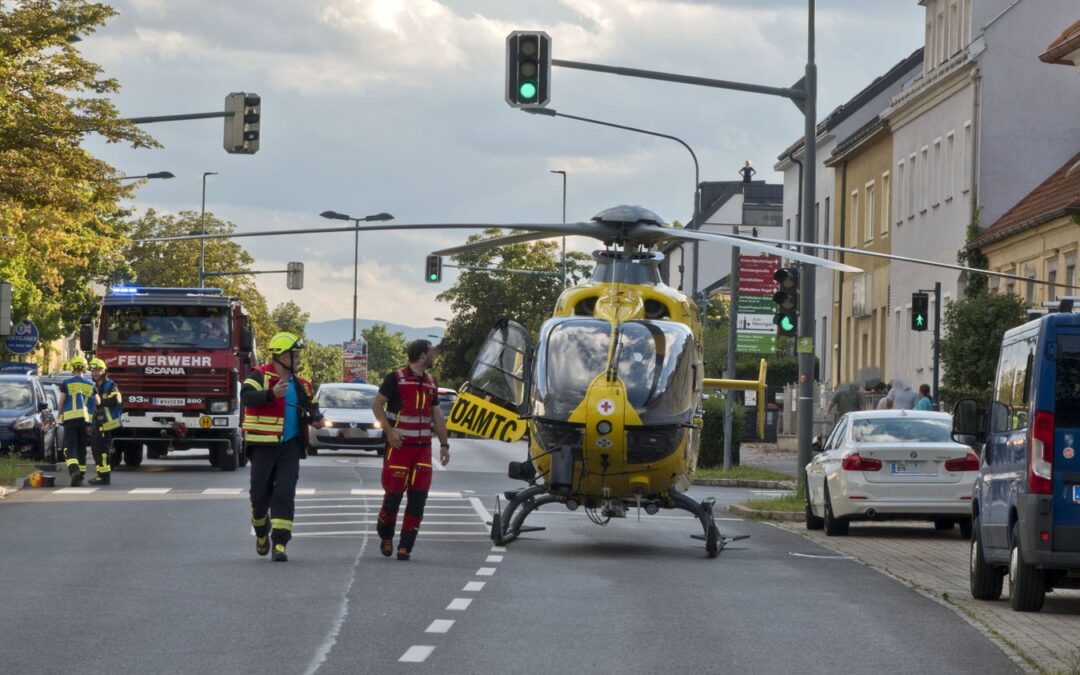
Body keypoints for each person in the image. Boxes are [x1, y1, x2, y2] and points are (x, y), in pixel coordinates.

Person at [240, 332, 320, 562]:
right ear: (283, 356)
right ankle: (261, 531)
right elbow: (246, 397)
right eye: (295, 355)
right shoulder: (259, 376)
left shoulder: (302, 384)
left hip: (290, 448)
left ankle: (280, 543)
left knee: (285, 494)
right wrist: (271, 394)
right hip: (263, 447)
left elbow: (309, 409)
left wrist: (315, 419)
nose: (299, 359)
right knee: (259, 497)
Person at [371, 339, 450, 561]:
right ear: (422, 354)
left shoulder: (431, 381)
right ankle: (386, 535)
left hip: (423, 449)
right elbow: (376, 405)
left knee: (418, 498)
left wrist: (444, 444)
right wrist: (389, 432)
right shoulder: (395, 378)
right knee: (393, 496)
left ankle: (406, 546)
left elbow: (437, 415)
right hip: (399, 447)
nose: (434, 355)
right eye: (432, 352)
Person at [57, 356, 98, 487]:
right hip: (85, 421)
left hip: (70, 419)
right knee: (81, 448)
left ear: (73, 368)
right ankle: (81, 475)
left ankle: (74, 471)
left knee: (69, 447)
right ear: (85, 369)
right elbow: (98, 402)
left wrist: (59, 416)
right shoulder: (91, 384)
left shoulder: (66, 383)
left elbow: (61, 402)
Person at [86, 358, 122, 486]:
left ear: (104, 371)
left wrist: (100, 403)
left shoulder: (110, 385)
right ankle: (100, 475)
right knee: (96, 450)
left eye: (98, 370)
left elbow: (117, 399)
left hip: (106, 423)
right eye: (93, 370)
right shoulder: (94, 386)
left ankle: (105, 477)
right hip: (97, 422)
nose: (95, 373)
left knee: (102, 451)